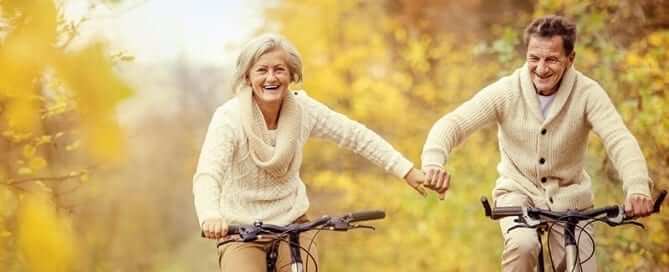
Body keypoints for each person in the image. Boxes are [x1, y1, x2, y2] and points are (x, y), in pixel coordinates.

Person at [420, 15, 654, 271]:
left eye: (551, 59)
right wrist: (433, 161)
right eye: (534, 58)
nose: (541, 68)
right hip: (517, 193)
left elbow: (618, 139)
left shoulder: (588, 93)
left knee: (581, 266)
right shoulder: (507, 91)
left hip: (571, 199)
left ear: (570, 59)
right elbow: (454, 123)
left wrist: (637, 187)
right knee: (523, 246)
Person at [192, 33, 428, 272]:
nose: (271, 77)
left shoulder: (303, 110)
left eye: (279, 69)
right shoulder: (229, 118)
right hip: (241, 231)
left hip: (292, 224)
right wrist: (210, 215)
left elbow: (355, 135)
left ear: (291, 75)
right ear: (247, 77)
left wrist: (406, 170)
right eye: (262, 70)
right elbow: (208, 174)